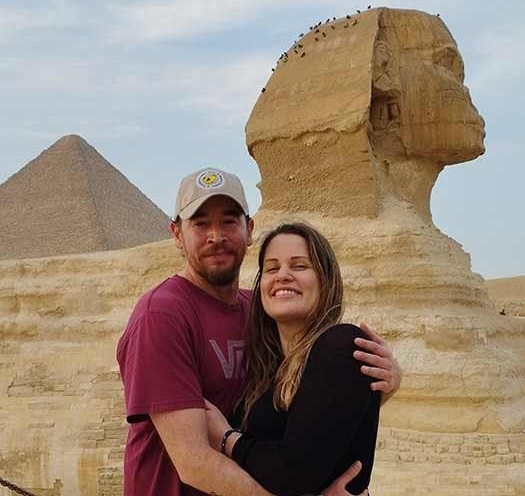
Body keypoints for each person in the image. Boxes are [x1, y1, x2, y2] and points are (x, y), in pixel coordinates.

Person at [117, 168, 401, 496]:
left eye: (229, 221)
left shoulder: (262, 314)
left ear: (249, 229)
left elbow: (313, 413)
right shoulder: (162, 315)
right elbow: (194, 462)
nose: (216, 236)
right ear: (177, 233)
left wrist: (383, 383)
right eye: (200, 223)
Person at [204, 223, 381, 495]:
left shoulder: (342, 346)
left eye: (299, 266)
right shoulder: (268, 369)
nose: (283, 276)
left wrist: (226, 438)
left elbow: (293, 473)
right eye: (272, 268)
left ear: (325, 279)